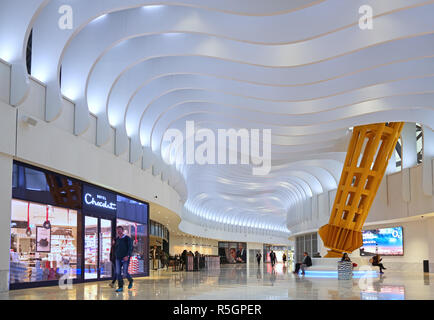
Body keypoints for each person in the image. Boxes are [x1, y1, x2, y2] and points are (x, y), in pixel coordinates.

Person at [114, 226, 133, 292]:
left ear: (123, 230)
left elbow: (130, 248)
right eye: (117, 230)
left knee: (125, 273)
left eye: (120, 230)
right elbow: (115, 248)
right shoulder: (116, 239)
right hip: (118, 258)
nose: (118, 231)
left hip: (125, 257)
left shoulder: (127, 238)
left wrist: (127, 255)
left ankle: (130, 280)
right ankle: (120, 287)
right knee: (118, 272)